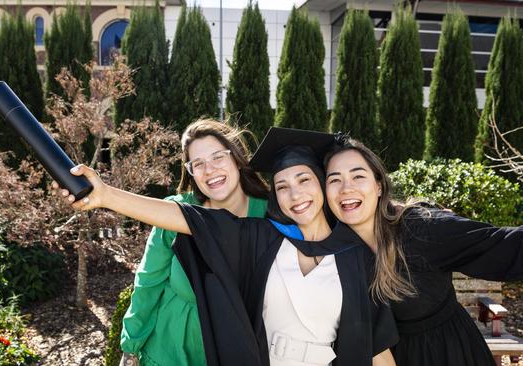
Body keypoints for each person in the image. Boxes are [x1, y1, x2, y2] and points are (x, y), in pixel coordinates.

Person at [53, 127, 398, 366]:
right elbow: (182, 220)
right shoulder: (262, 236)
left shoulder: (353, 256)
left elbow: (375, 344)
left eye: (305, 180)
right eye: (282, 186)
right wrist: (106, 195)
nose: (295, 195)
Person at [320, 133, 523, 366]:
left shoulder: (421, 230)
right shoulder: (332, 253)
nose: (346, 188)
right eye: (334, 180)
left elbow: (508, 246)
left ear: (379, 186)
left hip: (448, 354)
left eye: (358, 176)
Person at [119, 119, 269, 366]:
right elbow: (148, 281)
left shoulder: (268, 215)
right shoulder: (176, 212)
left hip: (238, 346)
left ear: (237, 158)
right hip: (171, 345)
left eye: (218, 157)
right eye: (198, 164)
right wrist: (130, 347)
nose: (209, 170)